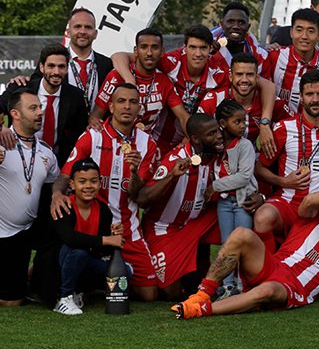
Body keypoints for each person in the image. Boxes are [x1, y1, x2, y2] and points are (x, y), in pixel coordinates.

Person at [171, 183, 319, 318]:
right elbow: (309, 200)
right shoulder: (311, 218)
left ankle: (200, 310)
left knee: (268, 289)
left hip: (294, 289)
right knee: (241, 234)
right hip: (274, 266)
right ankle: (202, 294)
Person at [53, 84, 161, 301]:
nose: (127, 107)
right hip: (94, 226)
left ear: (139, 108)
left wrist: (134, 172)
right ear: (111, 106)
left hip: (127, 227)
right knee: (80, 261)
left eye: (132, 102)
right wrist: (56, 193)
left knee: (149, 295)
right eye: (121, 101)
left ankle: (97, 279)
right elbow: (66, 174)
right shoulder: (92, 136)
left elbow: (135, 194)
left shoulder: (147, 143)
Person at [254, 69, 319, 254]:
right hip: (287, 203)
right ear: (301, 97)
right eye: (309, 94)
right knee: (262, 217)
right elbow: (259, 168)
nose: (315, 99)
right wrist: (283, 181)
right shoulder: (284, 128)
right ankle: (265, 271)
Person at [136, 113, 228, 298]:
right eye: (211, 133)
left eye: (218, 130)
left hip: (199, 222)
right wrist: (171, 176)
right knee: (170, 291)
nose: (218, 136)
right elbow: (143, 199)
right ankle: (193, 273)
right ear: (195, 139)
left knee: (245, 220)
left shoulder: (218, 155)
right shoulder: (175, 161)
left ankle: (237, 282)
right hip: (165, 228)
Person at [112, 24, 230, 146]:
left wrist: (191, 143)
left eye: (203, 48)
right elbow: (118, 56)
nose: (198, 53)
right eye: (192, 47)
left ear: (210, 49)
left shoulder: (219, 73)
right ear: (184, 47)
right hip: (158, 137)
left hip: (191, 137)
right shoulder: (171, 62)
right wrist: (130, 81)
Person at [0, 89, 60, 307]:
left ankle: (34, 277)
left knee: (14, 300)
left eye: (40, 108)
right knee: (10, 302)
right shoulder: (2, 143)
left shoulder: (45, 151)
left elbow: (54, 181)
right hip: (2, 232)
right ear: (15, 114)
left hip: (26, 232)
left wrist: (58, 194)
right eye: (33, 108)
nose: (39, 113)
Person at [91, 27, 188, 152]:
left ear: (162, 51)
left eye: (154, 47)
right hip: (113, 144)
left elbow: (183, 116)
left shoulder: (165, 81)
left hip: (145, 146)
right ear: (136, 51)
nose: (149, 53)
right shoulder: (117, 76)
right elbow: (96, 115)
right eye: (143, 47)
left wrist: (190, 138)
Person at [51, 158, 121, 316]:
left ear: (100, 183)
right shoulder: (63, 205)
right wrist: (106, 240)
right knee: (78, 253)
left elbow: (103, 250)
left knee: (125, 273)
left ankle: (81, 291)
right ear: (72, 185)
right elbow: (69, 239)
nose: (88, 186)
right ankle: (63, 298)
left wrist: (114, 236)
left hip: (86, 261)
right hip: (57, 265)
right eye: (82, 181)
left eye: (93, 181)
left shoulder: (103, 210)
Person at [1, 44, 88, 166]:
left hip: (56, 165)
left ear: (67, 68)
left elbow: (79, 135)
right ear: (42, 67)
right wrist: (1, 128)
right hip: (17, 163)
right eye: (51, 66)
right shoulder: (19, 87)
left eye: (61, 66)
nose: (56, 72)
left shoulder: (75, 96)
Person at [210, 99, 260, 299]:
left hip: (242, 202)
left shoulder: (245, 145)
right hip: (224, 203)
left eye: (244, 122)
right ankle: (228, 284)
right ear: (223, 123)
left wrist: (213, 187)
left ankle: (242, 284)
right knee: (226, 243)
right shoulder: (217, 145)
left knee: (242, 243)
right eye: (237, 122)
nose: (242, 126)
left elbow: (244, 176)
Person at [198, 52, 285, 157]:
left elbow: (293, 125)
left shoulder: (270, 101)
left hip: (258, 166)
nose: (244, 80)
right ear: (231, 77)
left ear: (257, 78)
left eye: (250, 74)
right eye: (239, 74)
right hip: (220, 164)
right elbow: (197, 133)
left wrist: (267, 127)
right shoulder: (213, 99)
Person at [260, 8, 319, 114]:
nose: (304, 36)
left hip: (311, 128)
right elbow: (262, 94)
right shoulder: (274, 57)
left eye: (311, 31)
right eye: (299, 30)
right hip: (277, 127)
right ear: (291, 32)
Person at [212, 1, 269, 66]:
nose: (236, 26)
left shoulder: (261, 55)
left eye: (241, 22)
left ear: (248, 27)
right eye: (231, 21)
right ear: (221, 25)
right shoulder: (207, 48)